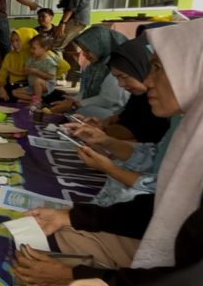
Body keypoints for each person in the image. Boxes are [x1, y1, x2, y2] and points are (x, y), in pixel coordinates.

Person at [13, 20, 203, 285]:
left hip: (172, 269)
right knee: (40, 241)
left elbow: (189, 277)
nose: (148, 80)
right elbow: (159, 206)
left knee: (45, 259)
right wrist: (70, 216)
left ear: (194, 69)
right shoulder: (187, 125)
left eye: (158, 68)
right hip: (159, 238)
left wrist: (72, 276)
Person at [75, 35, 170, 143]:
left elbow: (131, 130)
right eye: (117, 78)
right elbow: (124, 120)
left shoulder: (160, 101)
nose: (121, 84)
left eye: (124, 77)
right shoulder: (140, 96)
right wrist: (102, 125)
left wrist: (100, 130)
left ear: (142, 68)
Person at [50, 27, 129, 119]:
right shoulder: (92, 67)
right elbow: (83, 93)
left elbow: (108, 100)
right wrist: (71, 101)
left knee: (84, 111)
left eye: (87, 50)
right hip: (95, 107)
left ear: (101, 46)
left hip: (114, 112)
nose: (84, 54)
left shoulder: (116, 67)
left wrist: (74, 104)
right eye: (83, 50)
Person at [53, 0, 94, 84]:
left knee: (56, 45)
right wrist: (65, 2)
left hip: (75, 18)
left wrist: (63, 22)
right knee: (71, 48)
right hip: (82, 17)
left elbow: (74, 3)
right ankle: (74, 75)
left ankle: (60, 76)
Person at [0, 28, 69, 102]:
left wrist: (49, 76)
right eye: (12, 41)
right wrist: (1, 88)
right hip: (21, 86)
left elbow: (65, 66)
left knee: (62, 96)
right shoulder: (10, 56)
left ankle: (37, 100)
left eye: (17, 40)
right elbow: (3, 75)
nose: (14, 44)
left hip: (39, 85)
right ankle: (36, 100)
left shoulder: (42, 53)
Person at [12, 34, 59, 105]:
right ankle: (35, 100)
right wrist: (25, 70)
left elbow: (50, 76)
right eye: (31, 48)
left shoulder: (49, 62)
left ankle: (37, 101)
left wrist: (36, 71)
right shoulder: (31, 59)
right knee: (15, 92)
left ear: (44, 48)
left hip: (47, 85)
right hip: (32, 86)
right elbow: (25, 70)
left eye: (34, 48)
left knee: (37, 81)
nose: (31, 50)